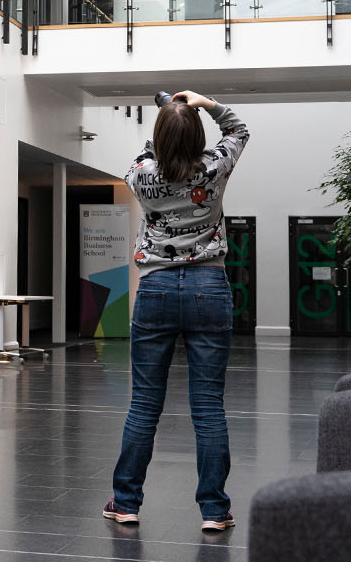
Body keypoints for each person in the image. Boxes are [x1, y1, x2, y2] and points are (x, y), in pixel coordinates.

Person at [104, 90, 249, 533]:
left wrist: (167, 119)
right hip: (209, 286)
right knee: (208, 407)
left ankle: (126, 502)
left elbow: (145, 155)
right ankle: (214, 510)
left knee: (144, 404)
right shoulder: (214, 166)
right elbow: (238, 130)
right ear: (198, 138)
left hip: (156, 289)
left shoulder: (141, 174)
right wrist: (202, 105)